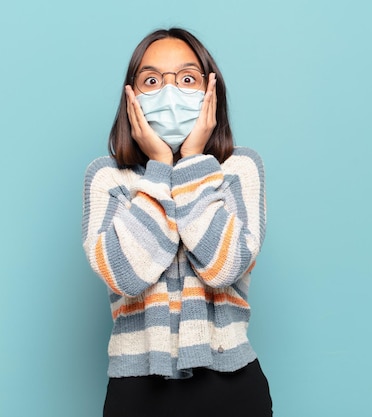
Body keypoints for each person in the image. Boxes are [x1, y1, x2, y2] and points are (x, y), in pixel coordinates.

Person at [82, 27, 272, 417]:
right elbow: (127, 275)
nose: (171, 94)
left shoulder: (240, 170)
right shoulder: (107, 178)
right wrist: (160, 169)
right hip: (136, 392)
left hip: (233, 386)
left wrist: (191, 163)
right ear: (130, 97)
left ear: (209, 93)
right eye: (152, 80)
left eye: (187, 79)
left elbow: (224, 266)